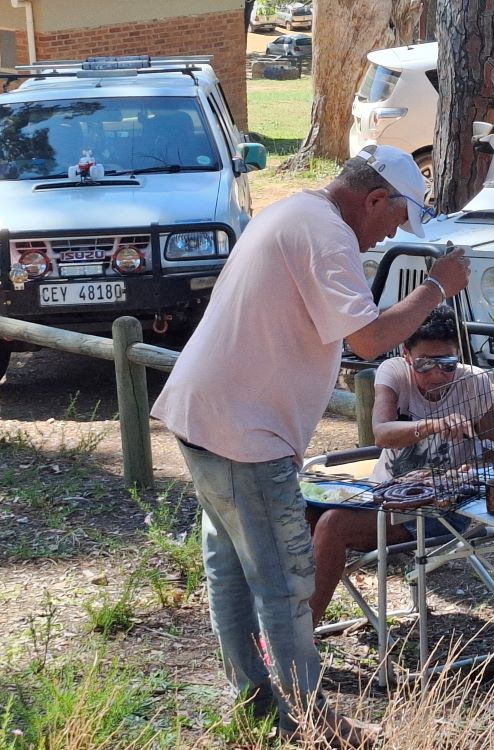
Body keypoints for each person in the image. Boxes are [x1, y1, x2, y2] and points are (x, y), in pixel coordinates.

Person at [150, 144, 469, 745]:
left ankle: (257, 707)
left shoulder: (293, 211)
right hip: (245, 432)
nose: (389, 235)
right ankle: (311, 722)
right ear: (374, 199)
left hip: (208, 415)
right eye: (396, 219)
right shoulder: (326, 234)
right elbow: (369, 340)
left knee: (232, 572)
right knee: (284, 583)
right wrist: (436, 287)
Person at [307, 305, 494, 628]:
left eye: (448, 364)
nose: (437, 374)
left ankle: (302, 634)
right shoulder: (394, 372)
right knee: (304, 513)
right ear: (406, 355)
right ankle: (285, 618)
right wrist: (433, 426)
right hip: (384, 495)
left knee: (332, 525)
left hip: (439, 509)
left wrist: (465, 471)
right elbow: (382, 432)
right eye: (425, 364)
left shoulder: (474, 383)